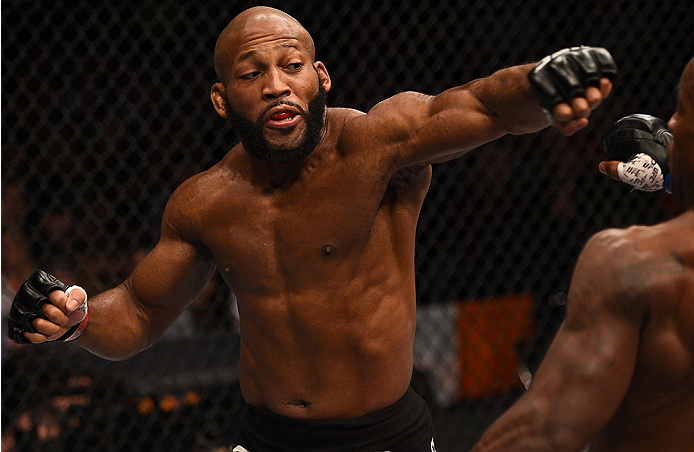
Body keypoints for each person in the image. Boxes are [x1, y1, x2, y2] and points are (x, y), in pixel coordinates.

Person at [7, 7, 616, 451]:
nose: (276, 85)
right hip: (264, 436)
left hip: (384, 438)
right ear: (222, 100)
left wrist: (542, 81)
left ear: (320, 77)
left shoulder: (376, 145)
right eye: (252, 74)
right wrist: (74, 320)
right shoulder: (203, 202)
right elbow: (139, 313)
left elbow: (479, 106)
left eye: (291, 66)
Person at [471, 57, 694, 452]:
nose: (671, 125)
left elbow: (543, 431)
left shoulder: (627, 262)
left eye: (682, 109)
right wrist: (677, 178)